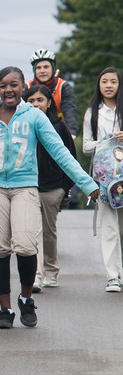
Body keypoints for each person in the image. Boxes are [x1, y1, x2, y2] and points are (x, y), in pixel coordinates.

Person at [0, 66, 99, 329]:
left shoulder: (35, 117)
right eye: (3, 85)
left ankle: (26, 299)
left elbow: (60, 152)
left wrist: (86, 183)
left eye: (14, 84)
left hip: (25, 187)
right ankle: (5, 310)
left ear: (23, 87)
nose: (8, 90)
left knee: (26, 246)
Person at [22, 85, 76, 293]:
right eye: (31, 101)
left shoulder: (59, 126)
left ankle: (51, 270)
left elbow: (70, 157)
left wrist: (64, 187)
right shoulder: (22, 126)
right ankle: (34, 275)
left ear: (49, 102)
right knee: (31, 232)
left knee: (48, 231)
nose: (35, 104)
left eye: (39, 100)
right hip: (28, 186)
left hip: (53, 188)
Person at [82, 67, 123, 292]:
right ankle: (112, 276)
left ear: (119, 85)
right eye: (104, 81)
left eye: (113, 82)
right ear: (99, 85)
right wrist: (105, 142)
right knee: (108, 225)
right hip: (104, 177)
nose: (108, 85)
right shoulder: (92, 113)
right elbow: (87, 147)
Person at [26, 49, 78, 140]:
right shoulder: (27, 87)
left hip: (57, 131)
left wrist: (71, 132)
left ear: (53, 68)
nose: (42, 71)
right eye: (38, 68)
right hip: (32, 132)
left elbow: (70, 111)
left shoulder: (63, 87)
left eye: (46, 67)